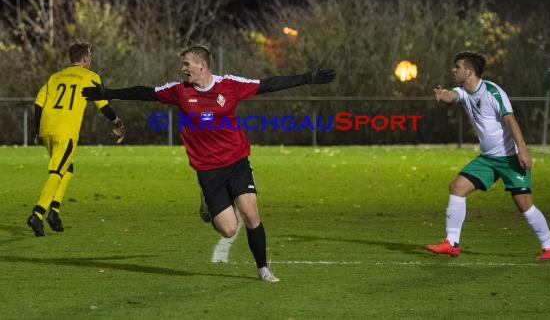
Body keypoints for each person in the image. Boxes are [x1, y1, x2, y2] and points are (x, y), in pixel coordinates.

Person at [82, 44, 336, 281]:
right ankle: (208, 201)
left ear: (202, 65)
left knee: (251, 213)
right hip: (208, 169)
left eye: (186, 64)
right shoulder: (180, 91)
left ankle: (263, 269)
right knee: (228, 230)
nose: (183, 69)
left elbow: (268, 84)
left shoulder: (230, 85)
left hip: (237, 161)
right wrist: (110, 93)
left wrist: (308, 78)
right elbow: (145, 93)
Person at [425, 51, 550, 260]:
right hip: (487, 159)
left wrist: (522, 150)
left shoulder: (493, 92)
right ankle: (451, 243)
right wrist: (443, 95)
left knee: (523, 203)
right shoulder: (463, 91)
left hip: (510, 158)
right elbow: (452, 96)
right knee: (457, 187)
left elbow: (511, 121)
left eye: (457, 67)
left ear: (468, 71)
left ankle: (549, 248)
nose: (453, 70)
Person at [27, 42, 126, 237]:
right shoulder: (90, 77)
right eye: (90, 56)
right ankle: (37, 214)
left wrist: (36, 129)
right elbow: (102, 104)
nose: (91, 60)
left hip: (48, 130)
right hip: (66, 131)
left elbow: (39, 103)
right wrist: (116, 122)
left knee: (67, 168)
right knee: (56, 171)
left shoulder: (55, 77)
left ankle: (54, 212)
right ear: (85, 58)